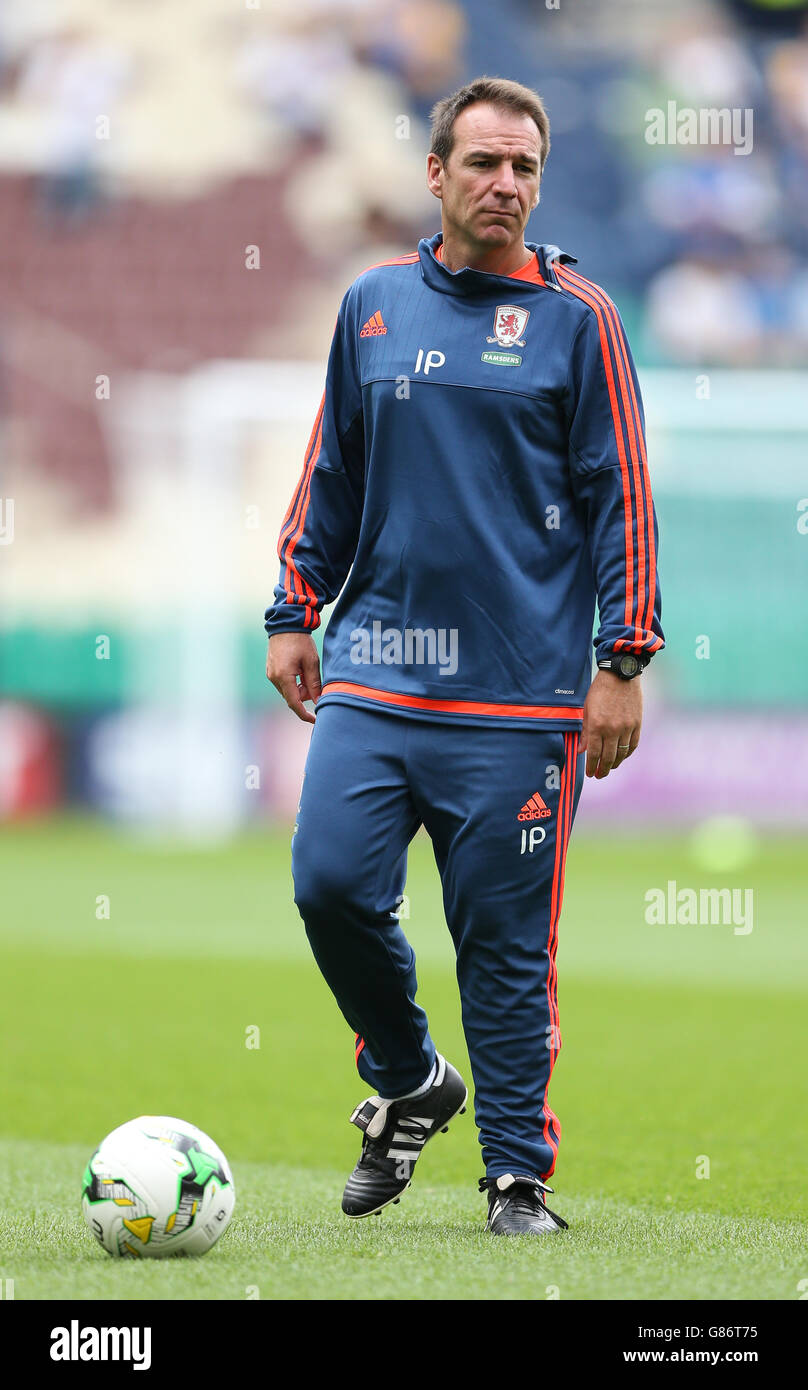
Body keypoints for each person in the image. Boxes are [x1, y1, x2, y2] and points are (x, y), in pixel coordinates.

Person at [265, 76, 664, 1236]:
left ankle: (513, 1180)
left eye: (524, 168)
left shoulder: (579, 318)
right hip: (377, 676)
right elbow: (329, 471)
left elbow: (620, 498)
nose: (505, 185)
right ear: (434, 174)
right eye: (484, 163)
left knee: (501, 946)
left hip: (520, 697)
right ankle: (405, 1075)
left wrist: (620, 661)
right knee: (329, 884)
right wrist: (294, 608)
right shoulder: (373, 306)